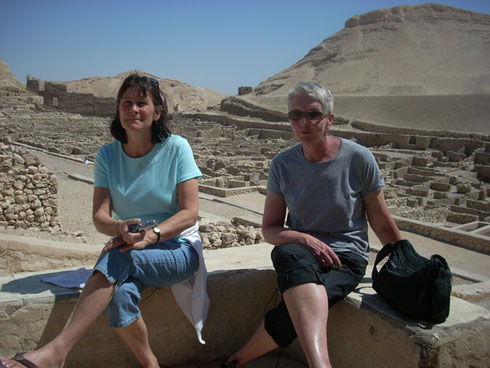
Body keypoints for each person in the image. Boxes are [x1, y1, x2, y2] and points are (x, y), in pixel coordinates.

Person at [0, 73, 209, 368]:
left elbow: (189, 213)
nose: (133, 110)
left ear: (157, 112)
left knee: (115, 259)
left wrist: (154, 234)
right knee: (120, 295)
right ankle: (150, 364)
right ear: (117, 109)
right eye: (127, 103)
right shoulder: (107, 156)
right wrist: (118, 228)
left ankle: (56, 352)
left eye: (141, 103)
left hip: (177, 247)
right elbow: (100, 216)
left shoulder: (177, 148)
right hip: (132, 245)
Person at [223, 81, 402, 368]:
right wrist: (306, 240)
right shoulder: (282, 165)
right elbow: (270, 229)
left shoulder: (358, 159)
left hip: (346, 258)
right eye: (296, 115)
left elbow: (381, 221)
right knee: (286, 253)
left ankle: (241, 358)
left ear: (329, 119)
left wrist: (404, 259)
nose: (304, 122)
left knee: (298, 310)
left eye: (313, 114)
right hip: (301, 255)